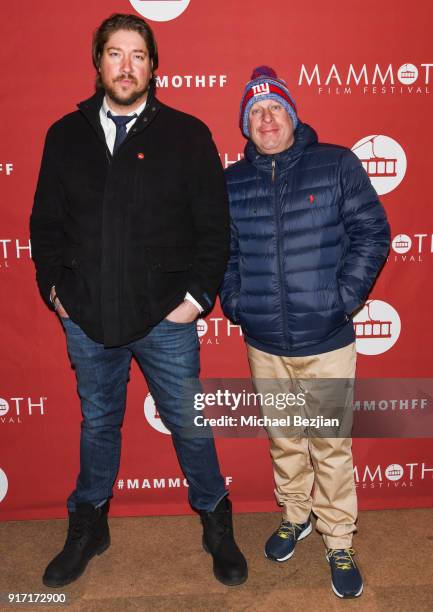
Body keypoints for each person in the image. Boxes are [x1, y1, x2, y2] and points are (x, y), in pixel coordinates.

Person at [30, 13, 247, 588]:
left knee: (189, 424)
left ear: (154, 66)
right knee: (98, 423)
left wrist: (196, 297)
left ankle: (216, 523)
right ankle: (89, 525)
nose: (126, 67)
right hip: (87, 315)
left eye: (138, 56)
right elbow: (45, 224)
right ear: (98, 62)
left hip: (164, 317)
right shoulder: (64, 134)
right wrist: (55, 288)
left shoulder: (187, 133)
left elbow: (214, 228)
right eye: (115, 54)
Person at [220, 66, 390, 598]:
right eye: (255, 112)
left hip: (327, 340)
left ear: (292, 115)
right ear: (245, 125)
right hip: (264, 341)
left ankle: (339, 537)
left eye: (275, 109)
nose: (266, 119)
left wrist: (342, 300)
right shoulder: (231, 182)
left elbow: (372, 232)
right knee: (286, 439)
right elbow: (222, 253)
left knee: (331, 445)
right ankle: (297, 515)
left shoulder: (336, 164)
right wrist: (236, 302)